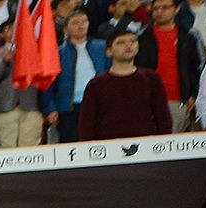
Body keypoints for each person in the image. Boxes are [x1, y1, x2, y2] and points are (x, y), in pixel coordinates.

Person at [79, 28, 173, 140]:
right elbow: (86, 124)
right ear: (109, 51)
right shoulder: (96, 84)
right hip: (108, 148)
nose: (128, 45)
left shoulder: (152, 79)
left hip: (147, 146)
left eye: (133, 41)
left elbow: (163, 117)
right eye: (121, 42)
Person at [135, 0, 206, 131]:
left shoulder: (190, 36)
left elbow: (200, 67)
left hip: (179, 99)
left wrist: (193, 95)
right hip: (148, 101)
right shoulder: (141, 37)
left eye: (165, 7)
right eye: (156, 8)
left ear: (177, 9)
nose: (160, 12)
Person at [51, 10, 108, 141]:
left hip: (99, 104)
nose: (81, 25)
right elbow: (49, 84)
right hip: (69, 107)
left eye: (84, 21)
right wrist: (51, 108)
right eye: (76, 22)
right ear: (66, 29)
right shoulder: (58, 53)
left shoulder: (103, 47)